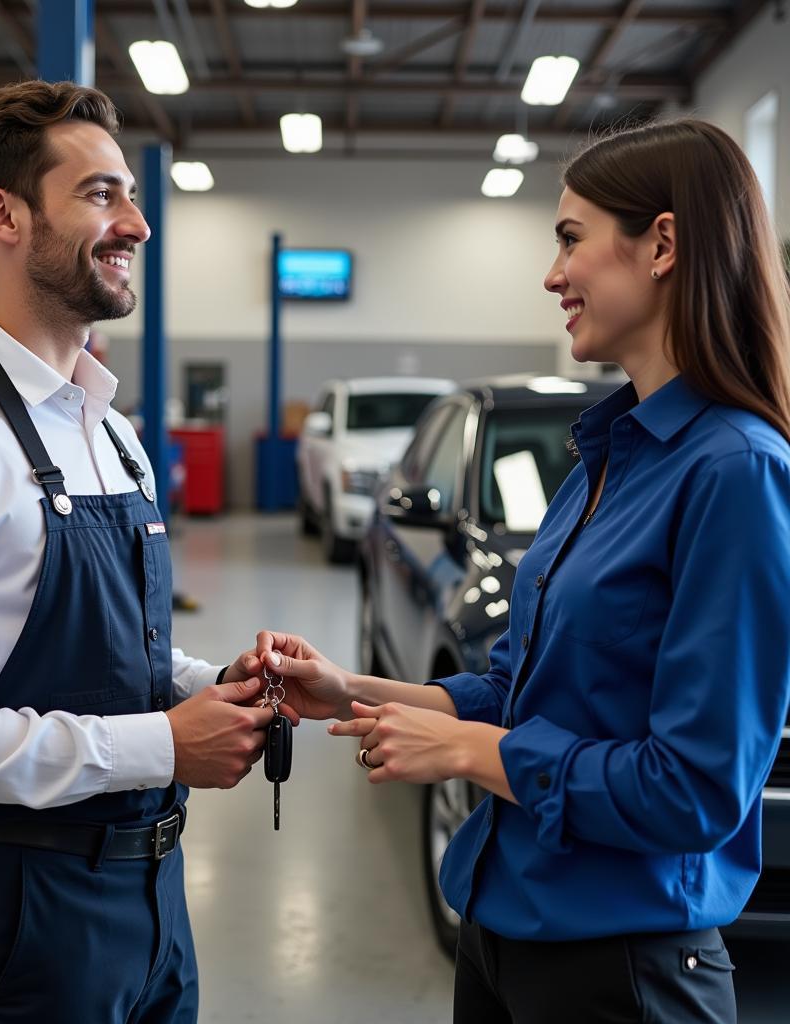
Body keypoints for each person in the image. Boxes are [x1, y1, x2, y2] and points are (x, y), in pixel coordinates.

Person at [257, 119, 790, 1023]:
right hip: (505, 933)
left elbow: (694, 790)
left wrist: (468, 753)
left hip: (624, 967)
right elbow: (518, 689)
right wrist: (348, 692)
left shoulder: (735, 470)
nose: (553, 276)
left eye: (571, 239)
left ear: (662, 244)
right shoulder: (607, 455)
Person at [0, 81, 275, 1024]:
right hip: (25, 917)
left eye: (133, 196)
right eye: (102, 194)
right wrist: (163, 744)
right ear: (4, 215)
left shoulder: (109, 431)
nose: (138, 226)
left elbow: (119, 656)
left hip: (153, 899)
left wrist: (216, 683)